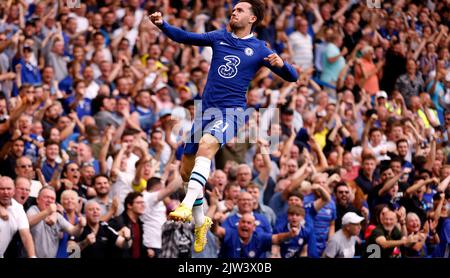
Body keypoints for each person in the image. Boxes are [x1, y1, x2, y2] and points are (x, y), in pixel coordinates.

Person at [149, 0, 298, 253]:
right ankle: (200, 223)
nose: (234, 11)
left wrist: (282, 64)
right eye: (234, 8)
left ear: (252, 18)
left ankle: (186, 204)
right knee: (186, 171)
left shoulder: (260, 48)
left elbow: (293, 77)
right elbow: (186, 36)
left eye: (240, 10)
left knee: (207, 146)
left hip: (231, 112)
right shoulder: (219, 36)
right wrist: (163, 25)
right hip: (205, 111)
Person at [26, 186, 85, 258]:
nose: (49, 200)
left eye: (52, 198)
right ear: (38, 200)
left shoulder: (58, 216)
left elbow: (73, 231)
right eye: (46, 197)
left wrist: (80, 225)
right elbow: (27, 223)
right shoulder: (33, 210)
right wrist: (47, 211)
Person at [213, 212, 297, 258]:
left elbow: (277, 238)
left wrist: (289, 234)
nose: (245, 225)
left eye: (249, 223)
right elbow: (216, 230)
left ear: (254, 227)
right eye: (243, 222)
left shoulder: (259, 237)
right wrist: (215, 221)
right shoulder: (231, 234)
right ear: (238, 224)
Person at [0, 176, 36, 258]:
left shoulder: (18, 208)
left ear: (14, 191)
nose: (5, 192)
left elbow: (26, 235)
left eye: (9, 189)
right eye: (2, 189)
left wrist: (32, 256)